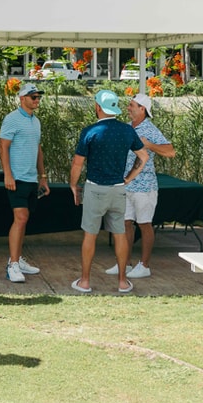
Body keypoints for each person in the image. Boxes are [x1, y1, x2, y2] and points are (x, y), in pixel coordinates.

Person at [69, 90, 148, 293]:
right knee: (120, 234)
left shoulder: (90, 132)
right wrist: (129, 177)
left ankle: (85, 281)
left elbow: (77, 164)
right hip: (118, 189)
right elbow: (144, 157)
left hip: (95, 189)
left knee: (90, 235)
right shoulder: (127, 130)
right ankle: (122, 281)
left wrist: (72, 185)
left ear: (98, 107)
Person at [106, 93, 174, 279]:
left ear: (142, 109)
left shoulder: (150, 130)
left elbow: (170, 151)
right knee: (125, 223)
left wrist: (150, 145)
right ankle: (125, 263)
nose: (128, 108)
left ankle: (144, 265)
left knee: (144, 224)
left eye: (131, 105)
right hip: (125, 184)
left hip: (145, 186)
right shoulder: (127, 128)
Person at [0, 82, 49, 283]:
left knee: (24, 218)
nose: (37, 100)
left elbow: (38, 149)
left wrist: (43, 176)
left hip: (30, 178)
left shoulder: (35, 122)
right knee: (20, 218)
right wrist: (8, 175)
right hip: (17, 177)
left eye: (38, 97)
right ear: (22, 98)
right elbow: (3, 147)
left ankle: (17, 259)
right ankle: (12, 264)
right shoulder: (11, 119)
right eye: (33, 97)